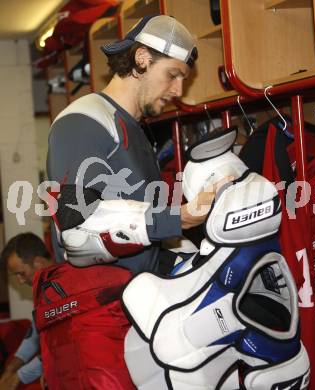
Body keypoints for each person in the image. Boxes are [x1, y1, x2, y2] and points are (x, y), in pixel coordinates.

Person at [44, 14, 233, 389]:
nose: (178, 90)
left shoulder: (131, 127)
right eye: (172, 75)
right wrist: (177, 219)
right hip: (96, 328)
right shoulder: (83, 123)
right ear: (142, 59)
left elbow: (142, 234)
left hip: (135, 315)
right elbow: (76, 228)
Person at [0, 233, 53, 390]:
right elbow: (34, 335)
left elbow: (59, 350)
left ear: (38, 262)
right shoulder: (43, 290)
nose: (20, 281)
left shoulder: (62, 289)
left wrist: (18, 377)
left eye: (21, 274)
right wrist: (10, 370)